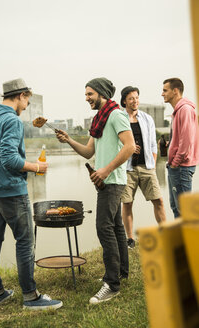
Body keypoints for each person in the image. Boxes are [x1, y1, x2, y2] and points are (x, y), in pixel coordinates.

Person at [0, 78, 63, 310]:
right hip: (12, 192)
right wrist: (37, 167)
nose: (27, 106)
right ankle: (31, 297)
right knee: (25, 242)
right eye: (27, 100)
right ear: (20, 96)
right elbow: (9, 158)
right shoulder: (11, 121)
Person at [56, 77, 135, 304]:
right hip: (106, 180)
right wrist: (69, 140)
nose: (87, 98)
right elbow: (89, 152)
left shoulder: (116, 115)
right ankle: (121, 272)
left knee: (103, 227)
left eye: (90, 94)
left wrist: (105, 170)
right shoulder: (99, 119)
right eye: (85, 94)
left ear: (102, 94)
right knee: (116, 226)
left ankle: (112, 284)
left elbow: (130, 146)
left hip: (113, 180)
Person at [120, 86, 166, 248]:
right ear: (124, 100)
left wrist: (152, 164)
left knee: (159, 200)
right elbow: (117, 145)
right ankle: (130, 239)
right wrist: (129, 150)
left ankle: (164, 234)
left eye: (137, 97)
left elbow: (153, 144)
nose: (135, 101)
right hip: (127, 169)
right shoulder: (119, 118)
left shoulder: (147, 119)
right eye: (131, 98)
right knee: (127, 203)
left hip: (146, 167)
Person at [162, 78, 199, 218]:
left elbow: (187, 140)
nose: (162, 94)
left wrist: (176, 162)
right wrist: (170, 146)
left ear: (175, 91)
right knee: (176, 208)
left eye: (165, 90)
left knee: (184, 211)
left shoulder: (185, 110)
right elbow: (182, 138)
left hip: (181, 167)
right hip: (176, 166)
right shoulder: (178, 111)